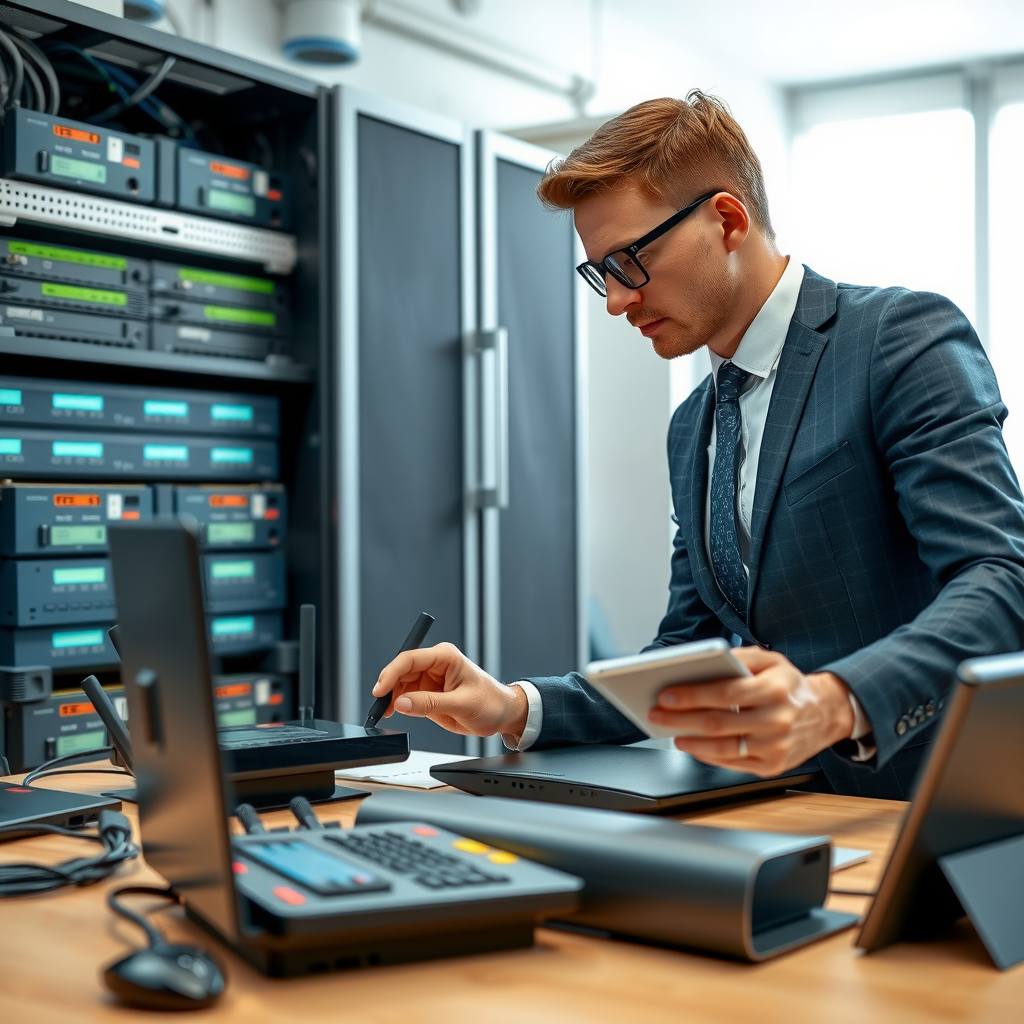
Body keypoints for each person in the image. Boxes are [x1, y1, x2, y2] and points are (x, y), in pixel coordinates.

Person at [372, 91, 1024, 799]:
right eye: (601, 275)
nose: (618, 302)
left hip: (934, 807)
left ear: (727, 220)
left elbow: (1000, 578)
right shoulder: (695, 424)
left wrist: (836, 701)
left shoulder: (898, 340)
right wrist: (513, 706)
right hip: (784, 812)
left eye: (629, 261)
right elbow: (686, 652)